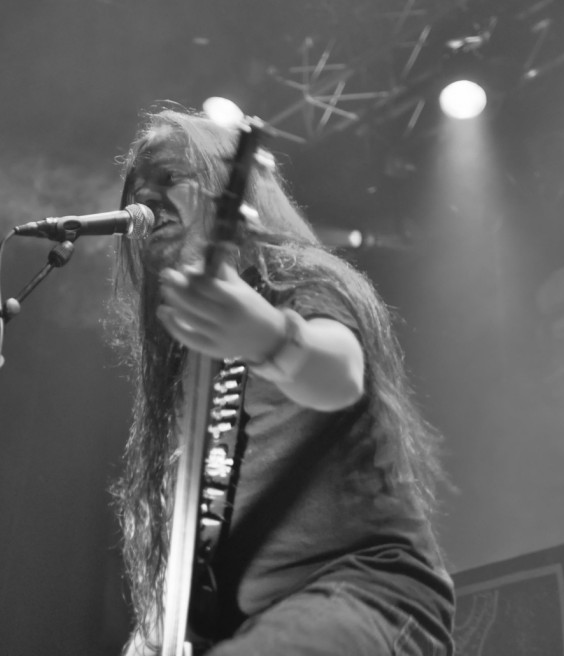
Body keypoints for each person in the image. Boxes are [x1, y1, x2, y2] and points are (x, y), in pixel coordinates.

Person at [107, 106, 455, 656]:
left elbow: (339, 375)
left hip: (363, 596)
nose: (147, 197)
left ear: (225, 188)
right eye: (139, 187)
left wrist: (269, 337)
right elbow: (197, 533)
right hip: (249, 628)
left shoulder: (295, 278)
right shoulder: (184, 356)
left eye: (170, 176)